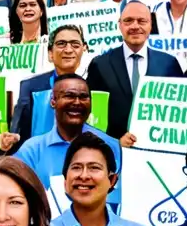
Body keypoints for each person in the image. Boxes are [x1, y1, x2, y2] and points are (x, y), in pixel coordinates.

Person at [15, 75, 123, 209]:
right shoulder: (32, 150)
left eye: (83, 97)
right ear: (53, 101)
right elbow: (16, 197)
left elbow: (116, 203)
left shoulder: (111, 147)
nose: (77, 102)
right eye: (69, 96)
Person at [85, 0, 182, 141]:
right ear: (120, 25)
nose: (135, 26)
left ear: (151, 25)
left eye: (142, 21)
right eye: (128, 21)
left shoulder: (169, 64)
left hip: (157, 150)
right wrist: (115, 143)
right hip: (114, 153)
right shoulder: (100, 64)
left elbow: (177, 111)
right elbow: (93, 117)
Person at [4, 24, 87, 145]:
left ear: (83, 50)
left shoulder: (92, 88)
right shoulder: (31, 87)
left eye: (75, 44)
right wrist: (12, 139)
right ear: (50, 54)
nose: (68, 50)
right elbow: (18, 130)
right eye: (61, 44)